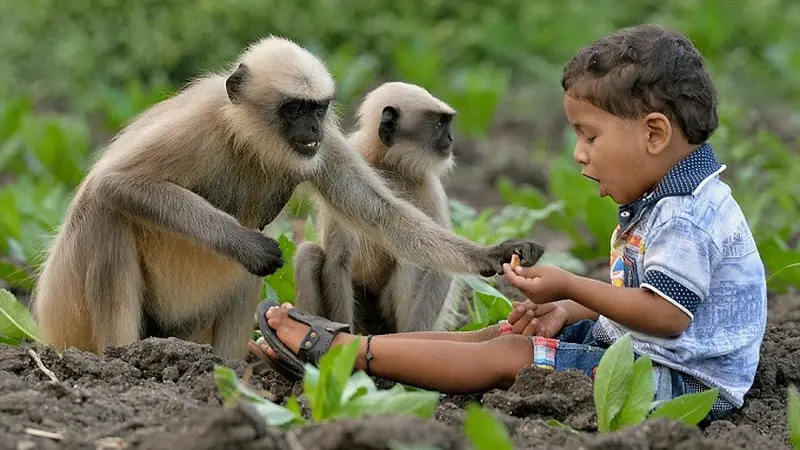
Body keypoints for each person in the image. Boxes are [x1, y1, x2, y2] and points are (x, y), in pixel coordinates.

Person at [250, 23, 767, 420]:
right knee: (497, 333)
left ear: (654, 134)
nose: (580, 156)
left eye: (590, 137)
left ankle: (348, 354)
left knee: (509, 355)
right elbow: (655, 307)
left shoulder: (689, 214)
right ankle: (350, 347)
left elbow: (665, 316)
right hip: (645, 356)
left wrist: (573, 287)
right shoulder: (667, 199)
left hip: (680, 385)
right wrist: (569, 309)